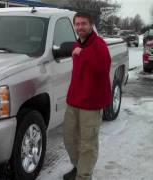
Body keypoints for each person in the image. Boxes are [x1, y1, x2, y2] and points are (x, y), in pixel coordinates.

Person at [63, 12, 112, 180]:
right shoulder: (79, 43)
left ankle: (84, 176)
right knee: (70, 139)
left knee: (88, 144)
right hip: (74, 101)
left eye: (83, 23)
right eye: (77, 24)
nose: (80, 27)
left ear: (91, 25)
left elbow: (103, 65)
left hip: (91, 104)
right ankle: (78, 167)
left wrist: (82, 54)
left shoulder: (98, 44)